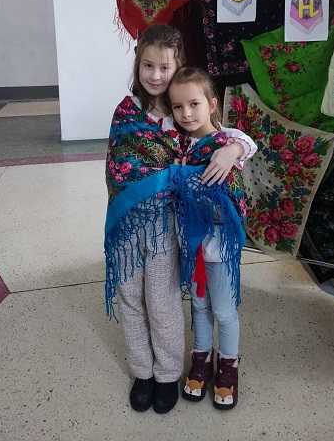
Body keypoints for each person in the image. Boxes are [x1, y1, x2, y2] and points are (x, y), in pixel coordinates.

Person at [104, 25, 253, 415]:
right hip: (125, 225)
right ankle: (142, 372)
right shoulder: (125, 111)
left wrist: (235, 148)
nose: (155, 75)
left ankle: (168, 374)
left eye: (164, 67)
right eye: (147, 66)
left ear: (178, 66)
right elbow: (118, 168)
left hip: (166, 227)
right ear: (137, 65)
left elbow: (224, 136)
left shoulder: (181, 115)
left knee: (163, 300)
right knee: (130, 298)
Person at [168, 67, 256, 411]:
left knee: (223, 310)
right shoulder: (177, 144)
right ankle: (201, 360)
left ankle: (229, 366)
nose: (186, 113)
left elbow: (248, 144)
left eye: (194, 104)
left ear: (212, 104)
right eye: (178, 107)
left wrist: (232, 150)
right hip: (191, 247)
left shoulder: (226, 140)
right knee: (199, 306)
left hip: (219, 249)